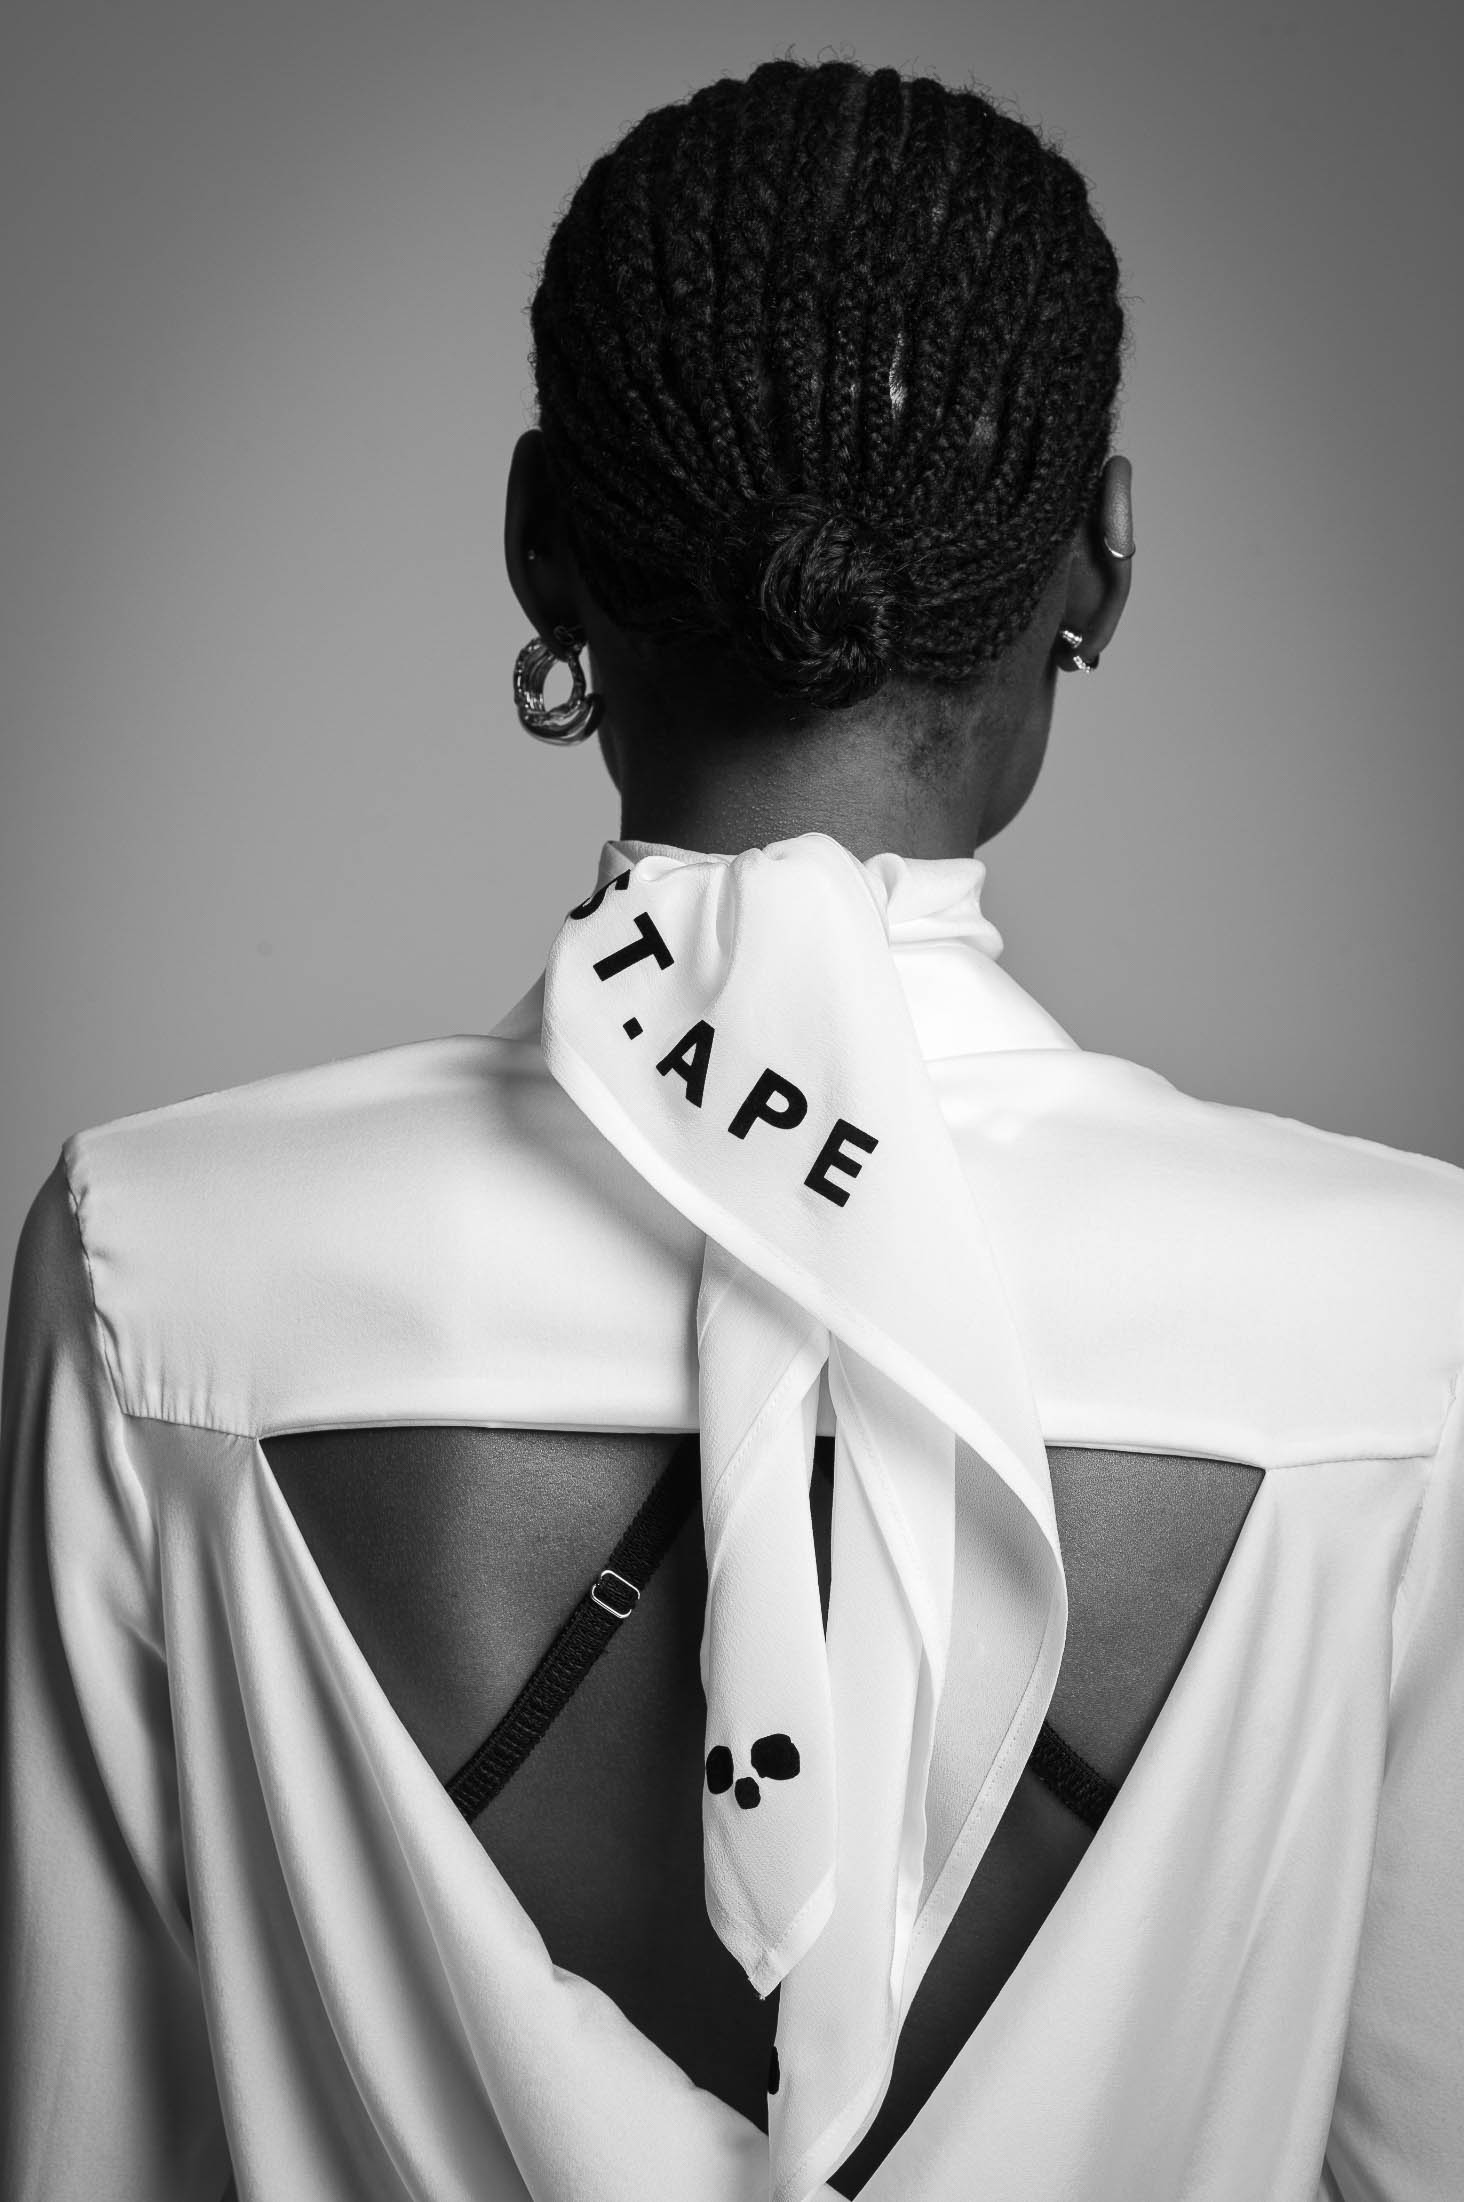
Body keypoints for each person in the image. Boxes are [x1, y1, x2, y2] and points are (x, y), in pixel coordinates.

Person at [3, 53, 1461, 2202]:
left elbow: (81, 2146)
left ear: (541, 543)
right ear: (1103, 561)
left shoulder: (163, 1271)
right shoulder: (1398, 1322)